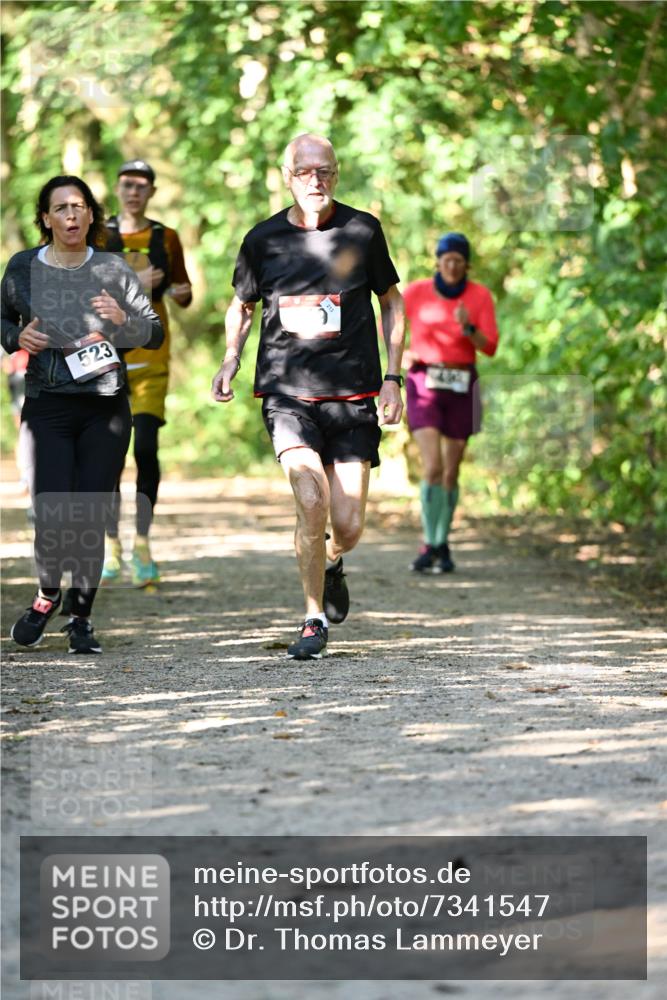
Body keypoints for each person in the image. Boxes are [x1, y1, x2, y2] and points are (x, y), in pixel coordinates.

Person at [211, 133, 405, 660]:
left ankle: (333, 560)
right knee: (310, 499)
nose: (315, 181)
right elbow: (242, 306)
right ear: (287, 176)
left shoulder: (362, 230)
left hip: (353, 393)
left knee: (349, 526)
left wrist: (394, 376)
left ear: (336, 175)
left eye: (325, 172)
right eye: (304, 171)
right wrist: (230, 357)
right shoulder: (263, 239)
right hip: (287, 393)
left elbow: (392, 302)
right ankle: (313, 617)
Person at [1, 175, 163, 653]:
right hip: (47, 405)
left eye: (78, 206)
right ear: (46, 218)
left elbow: (152, 332)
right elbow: (1, 319)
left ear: (91, 215)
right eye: (60, 208)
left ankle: (81, 618)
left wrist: (123, 320)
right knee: (50, 512)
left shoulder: (113, 268)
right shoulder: (23, 267)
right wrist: (15, 337)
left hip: (104, 408)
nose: (70, 215)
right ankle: (47, 594)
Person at [102, 159, 192, 588]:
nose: (134, 191)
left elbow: (183, 292)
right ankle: (110, 546)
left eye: (141, 185)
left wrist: (179, 291)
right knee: (108, 457)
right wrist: (137, 281)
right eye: (127, 184)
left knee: (146, 450)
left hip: (152, 359)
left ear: (152, 191)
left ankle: (141, 543)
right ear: (118, 189)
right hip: (105, 360)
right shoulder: (99, 236)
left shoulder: (165, 237)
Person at [403, 232, 499, 573]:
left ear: (467, 264)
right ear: (438, 262)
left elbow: (490, 347)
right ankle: (429, 542)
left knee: (452, 470)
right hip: (423, 381)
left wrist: (468, 327)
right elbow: (389, 323)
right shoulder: (416, 292)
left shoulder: (479, 296)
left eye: (459, 261)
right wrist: (401, 354)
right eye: (447, 260)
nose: (453, 266)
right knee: (432, 466)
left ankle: (443, 543)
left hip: (462, 383)